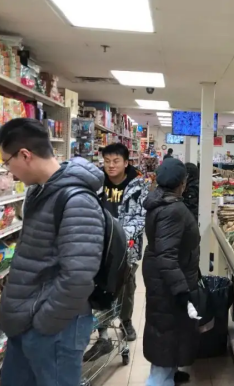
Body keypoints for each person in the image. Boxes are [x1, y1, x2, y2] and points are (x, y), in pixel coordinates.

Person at [0, 118, 105, 386]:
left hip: (54, 329)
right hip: (26, 321)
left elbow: (78, 277)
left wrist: (43, 323)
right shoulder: (40, 192)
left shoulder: (77, 201)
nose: (9, 172)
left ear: (25, 155)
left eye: (7, 162)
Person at [83, 143, 148, 361]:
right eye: (107, 161)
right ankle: (102, 334)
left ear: (126, 163)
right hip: (99, 246)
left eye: (116, 161)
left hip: (127, 247)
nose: (111, 165)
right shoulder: (96, 182)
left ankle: (126, 321)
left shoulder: (138, 186)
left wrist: (119, 238)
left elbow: (140, 218)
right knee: (101, 288)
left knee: (126, 287)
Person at [143, 159, 201, 386]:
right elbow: (167, 255)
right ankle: (159, 380)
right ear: (182, 183)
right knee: (165, 330)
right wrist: (181, 290)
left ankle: (170, 371)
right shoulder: (173, 210)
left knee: (170, 327)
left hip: (163, 276)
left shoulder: (160, 200)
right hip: (168, 279)